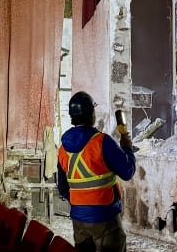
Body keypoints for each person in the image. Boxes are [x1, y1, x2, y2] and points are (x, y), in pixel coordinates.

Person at [57, 91, 136, 252]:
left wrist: (81, 204)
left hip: (79, 220)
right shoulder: (102, 142)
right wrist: (127, 146)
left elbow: (63, 188)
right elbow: (127, 171)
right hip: (105, 217)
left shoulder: (63, 148)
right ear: (91, 114)